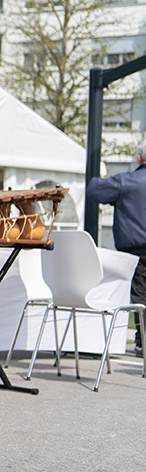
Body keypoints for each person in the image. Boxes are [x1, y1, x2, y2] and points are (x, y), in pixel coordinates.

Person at [87, 140, 146, 356]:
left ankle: (143, 342)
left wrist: (119, 199)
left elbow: (94, 190)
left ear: (139, 158)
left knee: (140, 295)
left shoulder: (127, 181)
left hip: (136, 249)